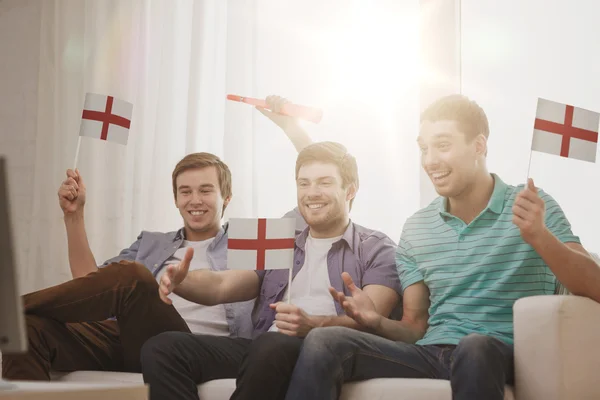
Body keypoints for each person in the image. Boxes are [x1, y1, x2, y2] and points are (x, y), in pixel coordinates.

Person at [284, 94, 600, 400]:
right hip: (431, 353)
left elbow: (595, 286)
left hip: (499, 352)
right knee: (325, 341)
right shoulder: (418, 227)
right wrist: (376, 321)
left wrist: (539, 236)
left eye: (443, 146)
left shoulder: (534, 206)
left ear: (479, 145)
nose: (430, 160)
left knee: (474, 347)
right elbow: (414, 327)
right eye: (424, 149)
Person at [1, 95, 310, 381]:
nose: (195, 200)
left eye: (206, 190)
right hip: (129, 340)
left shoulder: (249, 241)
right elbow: (88, 284)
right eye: (185, 192)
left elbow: (311, 201)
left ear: (226, 197)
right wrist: (74, 216)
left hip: (192, 350)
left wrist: (293, 129)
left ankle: (10, 310)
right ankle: (14, 318)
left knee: (133, 277)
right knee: (29, 331)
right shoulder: (153, 243)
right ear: (175, 199)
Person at [141, 141, 402, 400]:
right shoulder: (282, 241)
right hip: (264, 348)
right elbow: (222, 285)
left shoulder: (376, 247)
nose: (311, 193)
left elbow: (373, 320)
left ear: (350, 190)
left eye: (324, 182)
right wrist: (181, 281)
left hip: (322, 350)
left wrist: (313, 326)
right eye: (304, 183)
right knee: (162, 347)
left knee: (272, 344)